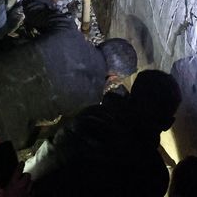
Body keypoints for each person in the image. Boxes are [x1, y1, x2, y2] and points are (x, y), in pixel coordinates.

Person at [0, 0, 138, 150]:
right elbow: (60, 134)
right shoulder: (91, 101)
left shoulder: (68, 30)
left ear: (101, 44)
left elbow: (34, 3)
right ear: (112, 78)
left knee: (4, 45)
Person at [26, 69, 182, 196]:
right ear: (167, 124)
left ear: (129, 96)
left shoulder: (94, 120)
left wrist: (19, 184)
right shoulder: (155, 177)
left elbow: (49, 156)